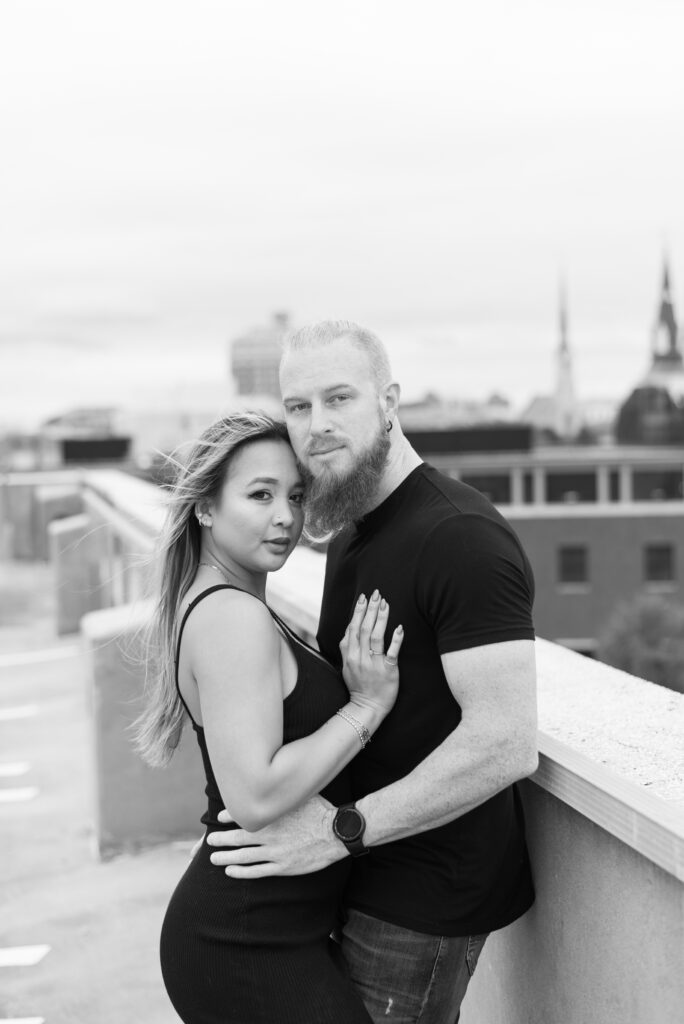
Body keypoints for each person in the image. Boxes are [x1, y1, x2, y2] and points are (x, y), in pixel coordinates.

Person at [207, 322, 539, 1024]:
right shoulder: (352, 531)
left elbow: (506, 740)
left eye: (338, 399)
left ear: (388, 400)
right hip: (362, 876)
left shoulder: (461, 536)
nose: (317, 426)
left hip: (423, 900)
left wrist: (338, 833)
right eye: (298, 407)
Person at [133, 412, 404, 1024]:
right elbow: (254, 795)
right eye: (260, 495)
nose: (286, 516)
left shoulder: (231, 601)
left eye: (296, 496)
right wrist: (366, 706)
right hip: (244, 942)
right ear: (205, 506)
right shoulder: (232, 616)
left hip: (268, 929)